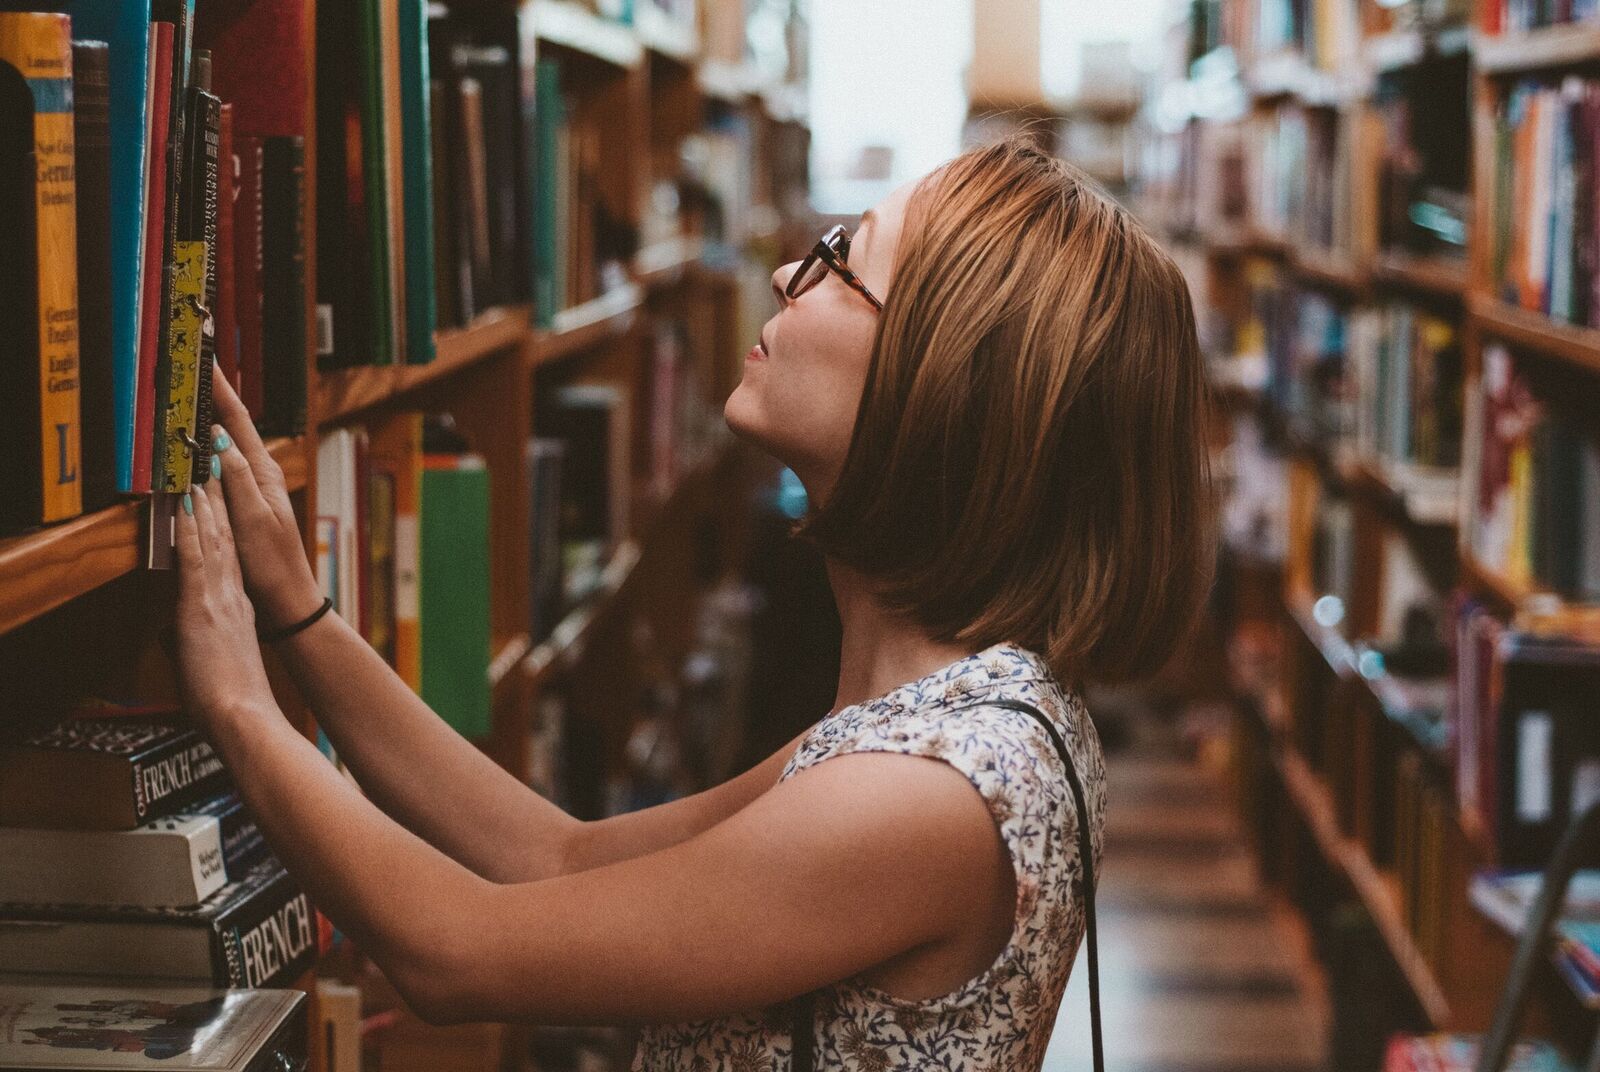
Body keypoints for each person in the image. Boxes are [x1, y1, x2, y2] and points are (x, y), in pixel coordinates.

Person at [172, 136, 1212, 1070]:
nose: (784, 273)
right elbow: (552, 856)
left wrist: (237, 703)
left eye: (841, 260)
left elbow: (454, 953)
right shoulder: (935, 723)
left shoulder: (927, 793)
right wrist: (300, 616)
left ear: (945, 384)